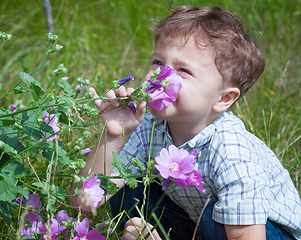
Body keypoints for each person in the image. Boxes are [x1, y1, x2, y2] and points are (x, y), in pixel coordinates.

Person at [70, 6, 301, 240]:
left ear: (223, 99)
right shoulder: (147, 126)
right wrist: (114, 137)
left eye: (183, 70)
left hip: (263, 231)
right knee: (129, 188)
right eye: (158, 62)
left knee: (215, 217)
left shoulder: (231, 151)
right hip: (196, 220)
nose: (161, 76)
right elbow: (83, 203)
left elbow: (248, 236)